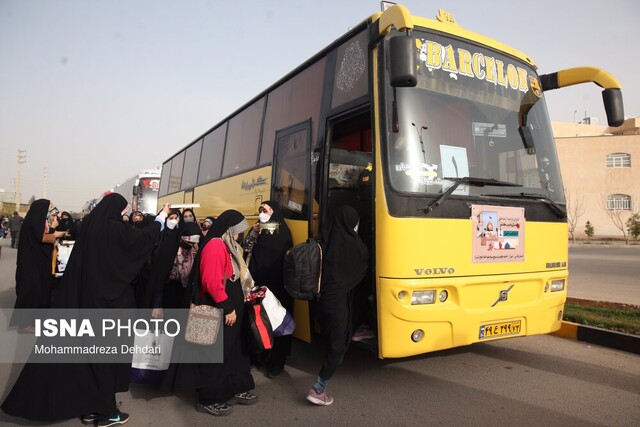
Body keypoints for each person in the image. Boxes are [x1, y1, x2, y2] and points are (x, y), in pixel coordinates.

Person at [1, 194, 170, 425]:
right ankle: (107, 411)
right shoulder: (115, 229)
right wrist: (160, 219)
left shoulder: (90, 225)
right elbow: (141, 241)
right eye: (123, 212)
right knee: (106, 360)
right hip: (111, 308)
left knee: (87, 358)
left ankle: (89, 405)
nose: (124, 216)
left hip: (86, 303)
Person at [163, 209, 257, 417]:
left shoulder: (226, 245)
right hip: (216, 310)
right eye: (236, 230)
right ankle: (209, 398)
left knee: (230, 353)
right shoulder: (215, 245)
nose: (238, 235)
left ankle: (229, 389)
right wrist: (229, 307)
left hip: (225, 309)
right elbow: (212, 282)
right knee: (212, 355)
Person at [306, 205, 368, 406]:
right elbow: (363, 271)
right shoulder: (356, 247)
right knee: (338, 347)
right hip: (337, 304)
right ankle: (318, 390)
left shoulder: (321, 241)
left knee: (334, 339)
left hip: (318, 302)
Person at [244, 201, 293, 377]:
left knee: (276, 322)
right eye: (260, 210)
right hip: (260, 288)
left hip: (278, 288)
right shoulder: (260, 232)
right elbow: (247, 251)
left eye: (265, 210)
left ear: (274, 213)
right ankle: (260, 356)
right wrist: (254, 232)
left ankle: (276, 362)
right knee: (260, 322)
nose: (261, 213)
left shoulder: (281, 232)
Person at [9, 200, 67, 332]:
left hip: (36, 265)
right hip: (31, 267)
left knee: (38, 292)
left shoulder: (34, 222)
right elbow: (43, 238)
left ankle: (33, 323)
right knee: (31, 293)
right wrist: (54, 230)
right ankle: (25, 325)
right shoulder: (33, 222)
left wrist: (52, 229)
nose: (52, 215)